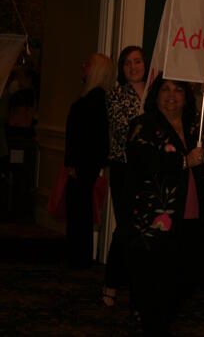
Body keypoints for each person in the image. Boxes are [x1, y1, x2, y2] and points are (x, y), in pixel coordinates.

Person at [123, 73, 204, 337]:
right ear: (156, 94)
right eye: (165, 89)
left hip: (194, 219)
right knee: (157, 287)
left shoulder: (195, 124)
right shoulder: (145, 124)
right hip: (159, 223)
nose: (171, 95)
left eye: (178, 90)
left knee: (186, 280)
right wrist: (184, 162)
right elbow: (144, 161)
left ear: (187, 97)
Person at [102, 46, 146, 308]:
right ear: (122, 68)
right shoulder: (116, 94)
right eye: (127, 63)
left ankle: (137, 283)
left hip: (148, 170)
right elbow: (122, 130)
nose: (133, 67)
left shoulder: (156, 94)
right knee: (126, 226)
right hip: (123, 167)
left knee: (143, 229)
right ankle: (111, 281)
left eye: (138, 61)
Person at [64, 52, 114, 269]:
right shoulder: (98, 99)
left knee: (79, 211)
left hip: (83, 164)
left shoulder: (93, 101)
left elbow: (88, 138)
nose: (83, 67)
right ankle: (78, 256)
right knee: (80, 210)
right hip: (88, 164)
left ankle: (78, 258)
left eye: (88, 64)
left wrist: (75, 164)